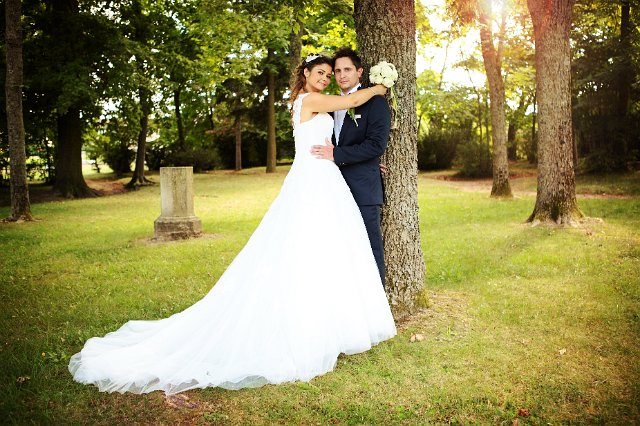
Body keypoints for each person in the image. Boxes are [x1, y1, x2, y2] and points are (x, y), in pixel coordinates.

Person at [68, 55, 396, 395]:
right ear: (305, 74)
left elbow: (341, 135)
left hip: (327, 179)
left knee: (326, 249)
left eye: (330, 74)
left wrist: (362, 159)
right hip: (313, 180)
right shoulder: (310, 99)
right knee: (304, 248)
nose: (327, 78)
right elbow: (355, 99)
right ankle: (307, 324)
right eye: (321, 73)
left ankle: (332, 321)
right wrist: (381, 86)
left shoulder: (311, 102)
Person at [311, 48, 391, 287]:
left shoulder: (375, 103)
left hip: (364, 190)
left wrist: (339, 154)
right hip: (334, 188)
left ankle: (378, 310)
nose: (342, 75)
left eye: (347, 69)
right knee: (342, 251)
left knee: (370, 248)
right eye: (337, 71)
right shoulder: (332, 104)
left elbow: (376, 145)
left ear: (359, 72)